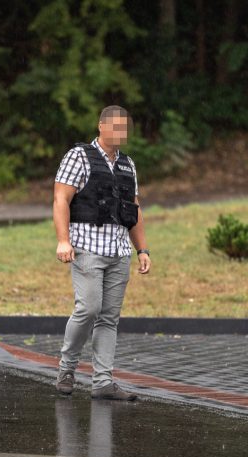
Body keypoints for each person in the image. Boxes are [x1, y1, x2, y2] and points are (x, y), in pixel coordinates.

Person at [52, 105, 151, 400]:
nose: (121, 132)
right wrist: (63, 240)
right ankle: (67, 367)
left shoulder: (128, 165)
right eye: (116, 126)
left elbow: (134, 210)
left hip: (119, 251)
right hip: (87, 249)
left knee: (109, 317)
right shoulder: (78, 157)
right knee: (89, 308)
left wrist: (142, 249)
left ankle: (103, 381)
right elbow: (60, 199)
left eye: (125, 127)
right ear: (101, 126)